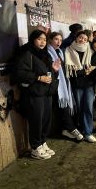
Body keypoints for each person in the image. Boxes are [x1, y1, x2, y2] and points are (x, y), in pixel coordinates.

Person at [14, 30, 61, 159]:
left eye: (45, 40)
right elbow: (20, 73)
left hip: (46, 93)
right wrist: (38, 78)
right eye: (39, 39)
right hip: (34, 93)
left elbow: (50, 72)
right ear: (33, 39)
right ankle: (35, 147)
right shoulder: (26, 53)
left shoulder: (46, 54)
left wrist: (55, 70)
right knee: (36, 120)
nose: (42, 42)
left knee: (46, 119)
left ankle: (42, 142)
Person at [47, 32, 83, 141]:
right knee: (63, 108)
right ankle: (71, 129)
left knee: (64, 107)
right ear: (50, 40)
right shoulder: (48, 52)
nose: (58, 42)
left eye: (60, 40)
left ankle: (66, 129)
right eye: (56, 39)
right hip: (55, 85)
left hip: (63, 84)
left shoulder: (60, 52)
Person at [65, 31, 96, 143]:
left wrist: (92, 69)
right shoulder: (69, 50)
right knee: (78, 108)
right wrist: (84, 71)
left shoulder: (90, 50)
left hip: (89, 84)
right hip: (76, 84)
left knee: (88, 108)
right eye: (80, 37)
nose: (82, 40)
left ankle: (88, 132)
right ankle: (79, 130)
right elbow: (70, 72)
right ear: (76, 38)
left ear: (87, 40)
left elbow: (95, 65)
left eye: (85, 38)